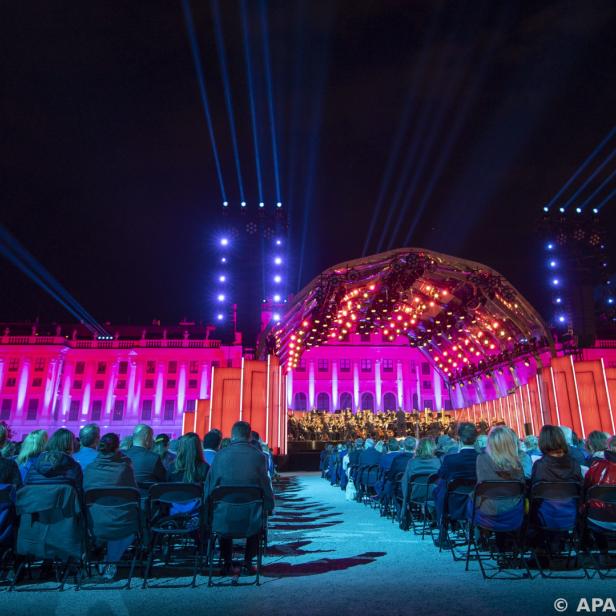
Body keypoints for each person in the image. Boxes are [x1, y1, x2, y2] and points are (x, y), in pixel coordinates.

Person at [204, 421, 274, 576]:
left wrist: (206, 508)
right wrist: (270, 505)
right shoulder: (259, 456)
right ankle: (248, 562)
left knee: (223, 517)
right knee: (258, 516)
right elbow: (265, 484)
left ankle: (227, 562)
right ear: (249, 435)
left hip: (224, 516)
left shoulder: (220, 455)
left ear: (232, 435)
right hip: (251, 517)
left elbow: (210, 485)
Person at [84, 432, 138, 581]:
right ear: (117, 447)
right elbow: (134, 493)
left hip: (93, 524)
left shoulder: (89, 468)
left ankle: (105, 559)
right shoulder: (124, 468)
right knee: (126, 525)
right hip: (121, 523)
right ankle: (111, 561)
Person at [433, 422, 479, 526]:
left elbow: (441, 475)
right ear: (476, 439)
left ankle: (442, 528)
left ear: (459, 438)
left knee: (439, 488)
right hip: (480, 501)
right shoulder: (484, 458)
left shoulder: (450, 459)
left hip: (455, 503)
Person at [400, 437, 441, 524]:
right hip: (434, 494)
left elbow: (405, 482)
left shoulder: (412, 462)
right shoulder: (437, 462)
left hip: (416, 494)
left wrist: (404, 506)